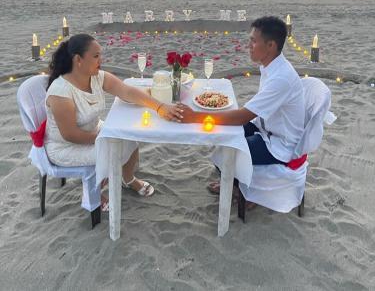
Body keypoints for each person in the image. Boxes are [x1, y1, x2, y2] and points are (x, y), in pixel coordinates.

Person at [45, 33, 184, 208]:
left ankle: (127, 179)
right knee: (115, 147)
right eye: (96, 56)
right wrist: (106, 135)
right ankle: (95, 192)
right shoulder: (61, 91)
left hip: (95, 131)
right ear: (78, 59)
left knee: (130, 135)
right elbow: (70, 134)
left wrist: (159, 107)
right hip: (66, 146)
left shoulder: (96, 76)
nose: (100, 60)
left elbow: (126, 92)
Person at [180, 16, 305, 194]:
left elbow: (242, 116)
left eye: (253, 41)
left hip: (280, 143)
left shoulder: (281, 77)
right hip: (265, 128)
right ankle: (233, 182)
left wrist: (193, 117)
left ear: (271, 45)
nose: (249, 45)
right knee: (222, 135)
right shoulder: (271, 66)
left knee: (228, 152)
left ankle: (245, 192)